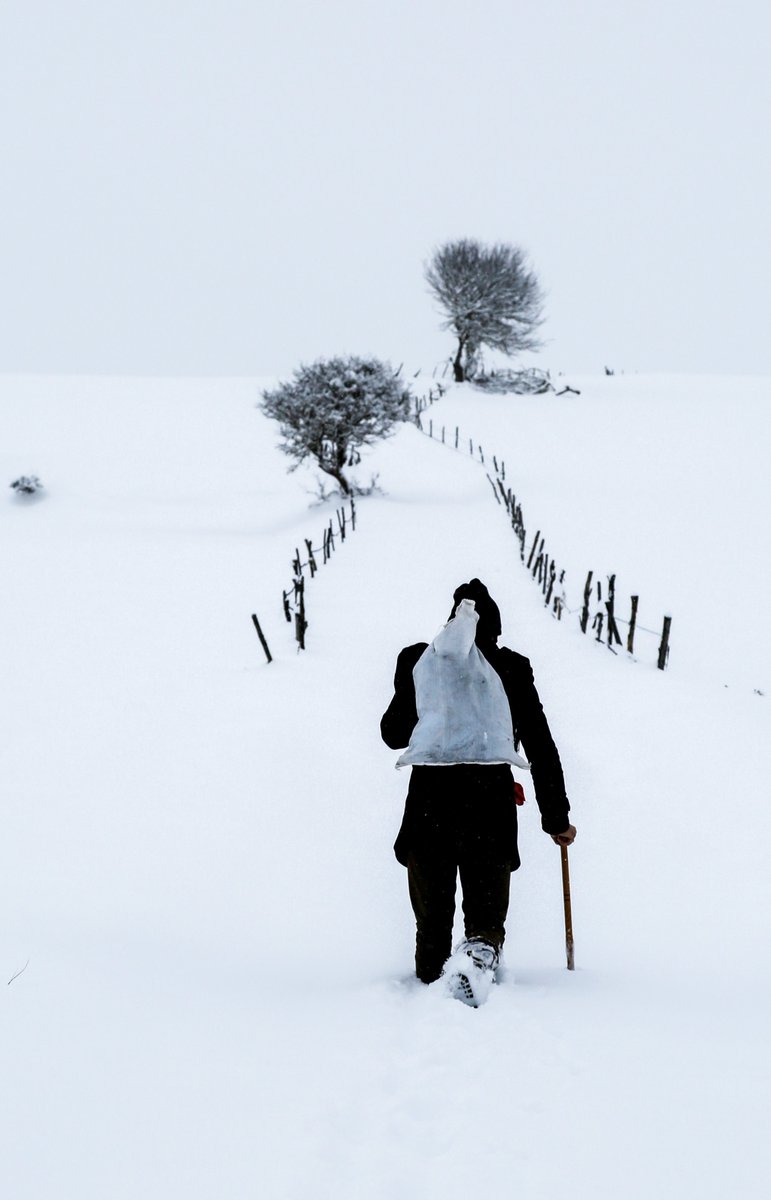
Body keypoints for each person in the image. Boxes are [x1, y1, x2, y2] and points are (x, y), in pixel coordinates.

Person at [380, 578, 576, 990]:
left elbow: (393, 733)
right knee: (486, 923)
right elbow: (539, 743)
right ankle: (475, 967)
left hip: (428, 809)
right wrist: (556, 817)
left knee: (431, 931)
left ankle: (434, 988)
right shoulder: (511, 668)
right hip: (489, 808)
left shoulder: (420, 661)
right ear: (496, 631)